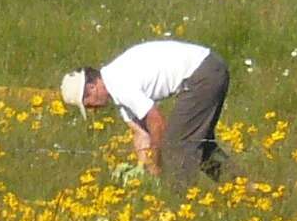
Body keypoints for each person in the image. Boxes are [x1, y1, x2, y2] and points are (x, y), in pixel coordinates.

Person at [59, 38, 231, 185]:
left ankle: (180, 201)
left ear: (91, 87)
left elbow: (156, 122)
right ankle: (245, 188)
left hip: (202, 73)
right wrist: (143, 168)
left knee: (176, 143)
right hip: (207, 70)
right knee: (199, 144)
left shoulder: (119, 83)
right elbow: (141, 134)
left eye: (87, 104)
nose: (92, 110)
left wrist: (155, 165)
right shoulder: (117, 90)